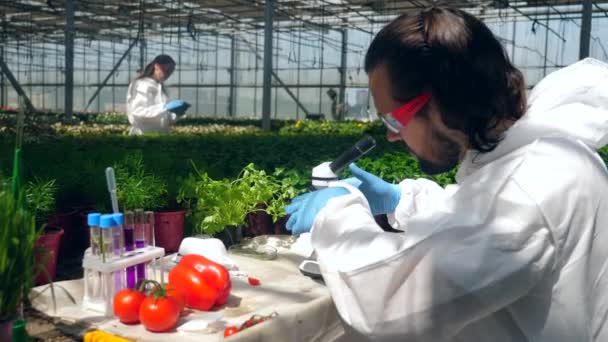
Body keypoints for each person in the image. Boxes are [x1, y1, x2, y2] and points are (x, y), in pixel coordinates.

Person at [285, 6, 608, 342]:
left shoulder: (530, 191)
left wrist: (334, 215)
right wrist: (402, 200)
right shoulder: (545, 155)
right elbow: (471, 215)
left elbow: (388, 303)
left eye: (393, 120)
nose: (392, 136)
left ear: (442, 102)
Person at [126, 54, 189, 135]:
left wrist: (176, 114)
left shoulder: (160, 87)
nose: (168, 75)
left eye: (171, 72)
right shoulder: (141, 84)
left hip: (161, 134)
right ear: (156, 66)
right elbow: (137, 111)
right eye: (167, 71)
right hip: (143, 134)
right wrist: (164, 107)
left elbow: (165, 119)